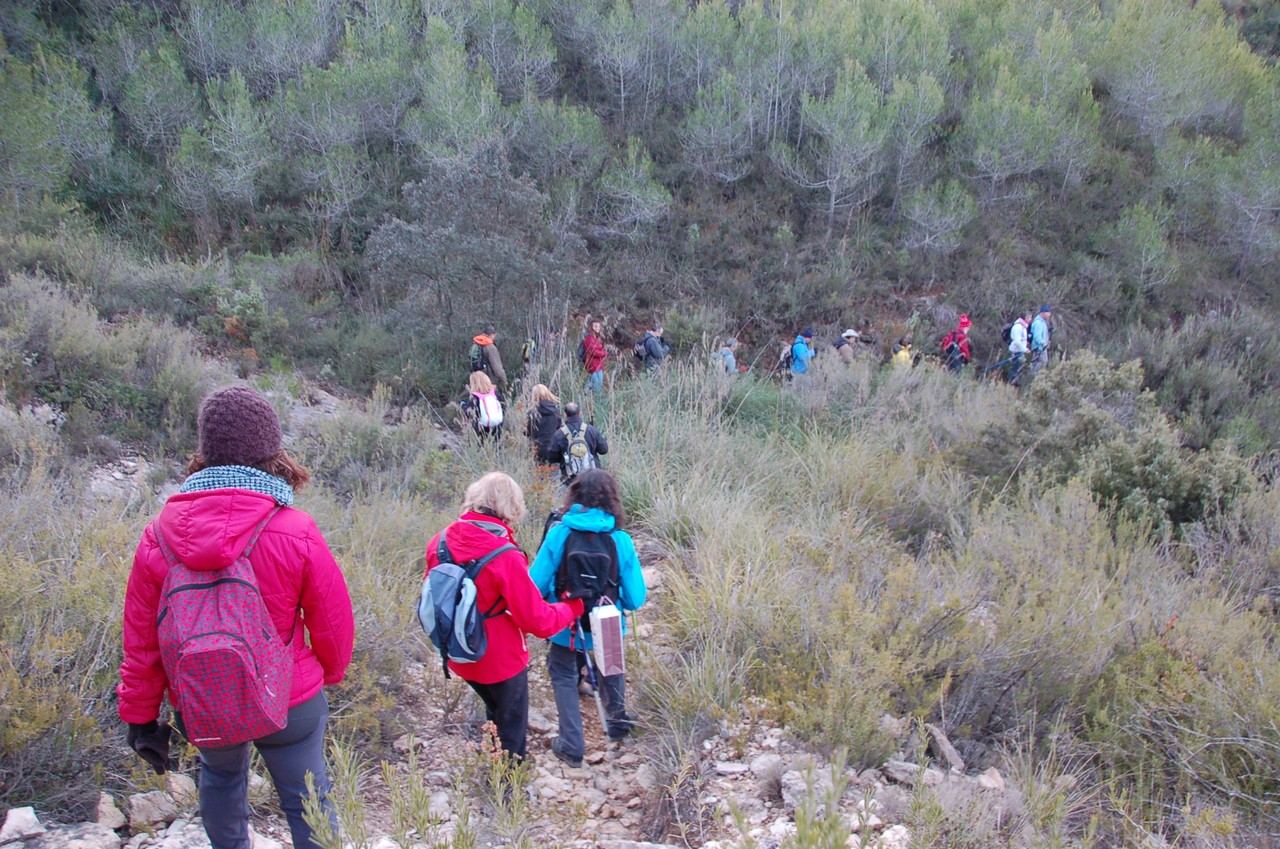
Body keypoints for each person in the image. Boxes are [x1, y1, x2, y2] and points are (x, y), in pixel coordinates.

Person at [118, 384, 355, 849]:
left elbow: (142, 642)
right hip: (288, 694)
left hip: (205, 695)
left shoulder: (158, 536)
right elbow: (332, 619)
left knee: (221, 781)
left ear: (206, 449)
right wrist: (328, 672)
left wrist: (141, 716)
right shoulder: (295, 529)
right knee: (308, 799)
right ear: (272, 450)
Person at [424, 472, 584, 760]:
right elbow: (538, 621)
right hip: (501, 660)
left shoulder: (440, 541)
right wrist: (572, 608)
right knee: (512, 729)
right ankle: (508, 781)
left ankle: (492, 756)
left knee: (494, 710)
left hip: (458, 651)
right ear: (512, 507)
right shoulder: (504, 555)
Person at [529, 469, 647, 768]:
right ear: (613, 499)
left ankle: (571, 745)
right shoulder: (620, 540)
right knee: (611, 667)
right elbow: (635, 598)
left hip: (566, 624)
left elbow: (534, 585)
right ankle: (617, 722)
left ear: (574, 495)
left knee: (563, 674)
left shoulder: (559, 534)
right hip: (607, 623)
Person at [549, 402, 608, 484]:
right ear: (580, 413)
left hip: (571, 481)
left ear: (565, 415)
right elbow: (604, 450)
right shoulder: (591, 430)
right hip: (593, 478)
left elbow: (552, 457)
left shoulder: (559, 434)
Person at [461, 371, 504, 442]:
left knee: (482, 444)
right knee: (496, 443)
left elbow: (470, 412)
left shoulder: (475, 397)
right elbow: (503, 406)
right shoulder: (495, 392)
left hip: (483, 427)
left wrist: (463, 406)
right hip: (498, 423)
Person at [524, 384, 562, 463]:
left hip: (538, 448)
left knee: (539, 469)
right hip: (554, 447)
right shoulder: (555, 411)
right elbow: (559, 429)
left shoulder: (532, 412)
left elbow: (528, 432)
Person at [470, 326, 508, 390]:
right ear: (492, 335)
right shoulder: (490, 347)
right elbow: (497, 369)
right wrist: (504, 381)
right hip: (488, 381)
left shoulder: (476, 344)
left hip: (475, 380)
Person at [581, 321, 608, 395]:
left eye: (598, 326)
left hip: (598, 364)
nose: (597, 328)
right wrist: (604, 353)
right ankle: (594, 399)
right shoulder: (589, 338)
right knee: (597, 386)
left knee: (596, 383)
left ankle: (584, 396)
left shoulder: (596, 338)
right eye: (595, 326)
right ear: (591, 327)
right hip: (593, 365)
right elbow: (593, 352)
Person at [1006, 311, 1031, 385]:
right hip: (1016, 351)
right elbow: (1017, 341)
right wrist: (1025, 349)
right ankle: (1011, 383)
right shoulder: (1018, 327)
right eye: (1030, 317)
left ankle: (1015, 382)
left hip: (1020, 351)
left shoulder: (1023, 326)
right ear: (1026, 318)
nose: (1031, 319)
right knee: (1014, 368)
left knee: (1018, 367)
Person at [1028, 305, 1052, 378]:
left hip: (1041, 347)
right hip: (1039, 347)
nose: (1049, 315)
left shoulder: (1042, 322)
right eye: (1048, 313)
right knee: (1043, 361)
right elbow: (1037, 337)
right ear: (1043, 313)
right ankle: (1033, 376)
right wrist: (1043, 343)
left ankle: (1034, 377)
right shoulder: (1038, 323)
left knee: (1037, 363)